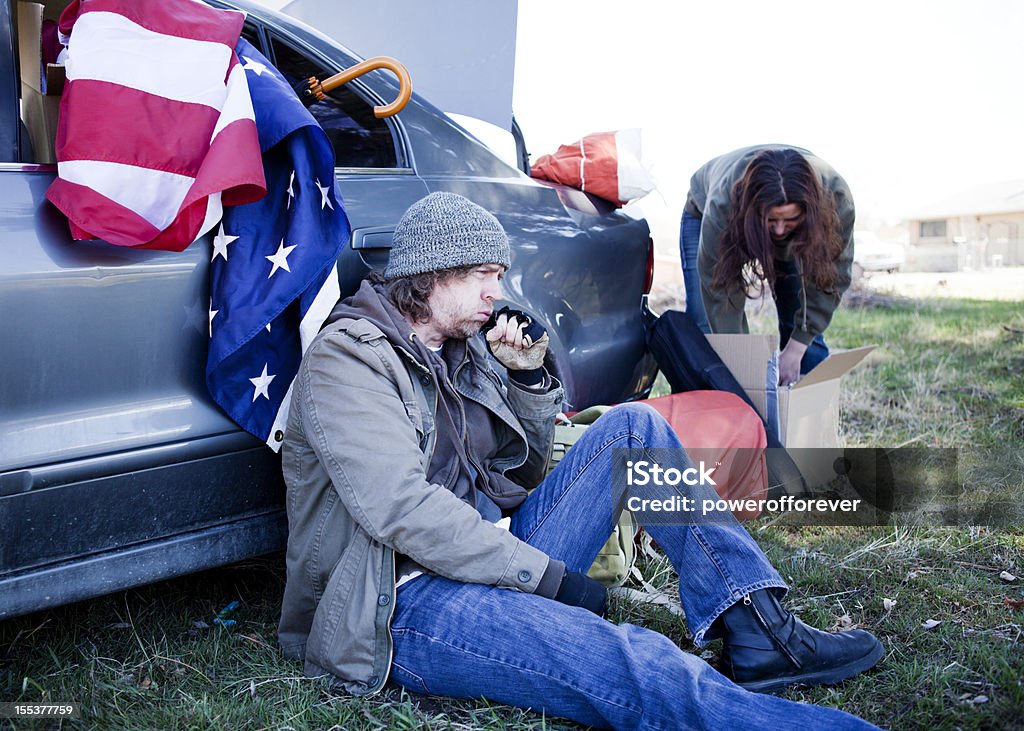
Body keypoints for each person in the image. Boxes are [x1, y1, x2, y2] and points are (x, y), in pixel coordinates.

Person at [278, 191, 883, 729]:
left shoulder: (458, 347)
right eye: (483, 276)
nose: (496, 292)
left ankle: (759, 627)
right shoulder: (348, 362)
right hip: (399, 600)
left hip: (488, 547)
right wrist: (543, 576)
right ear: (431, 273)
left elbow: (527, 475)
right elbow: (400, 507)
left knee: (634, 425)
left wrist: (527, 383)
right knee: (632, 664)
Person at [680, 145, 856, 386]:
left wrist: (796, 348)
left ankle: (808, 408)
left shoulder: (836, 201)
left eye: (790, 219)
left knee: (798, 314)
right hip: (710, 215)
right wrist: (745, 374)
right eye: (772, 220)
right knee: (705, 323)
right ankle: (713, 406)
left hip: (801, 226)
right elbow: (719, 293)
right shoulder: (723, 205)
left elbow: (831, 279)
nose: (780, 230)